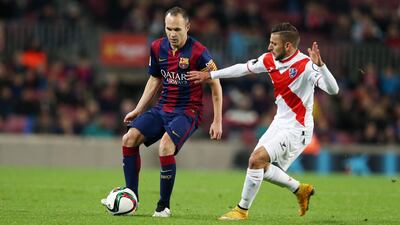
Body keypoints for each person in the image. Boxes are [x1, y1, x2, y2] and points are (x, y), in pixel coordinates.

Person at [188, 22, 339, 220]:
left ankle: (241, 210)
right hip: (279, 123)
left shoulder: (305, 66)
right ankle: (300, 189)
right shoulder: (269, 59)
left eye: (273, 43)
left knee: (255, 160)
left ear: (288, 46)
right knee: (259, 166)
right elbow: (242, 68)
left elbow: (333, 89)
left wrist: (321, 66)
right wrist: (210, 75)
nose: (269, 47)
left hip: (298, 128)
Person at [101, 6, 223, 217]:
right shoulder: (157, 47)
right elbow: (155, 78)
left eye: (177, 29)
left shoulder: (199, 52)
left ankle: (163, 206)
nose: (172, 34)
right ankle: (131, 196)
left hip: (188, 111)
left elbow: (216, 83)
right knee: (129, 138)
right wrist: (139, 109)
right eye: (169, 29)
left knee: (165, 147)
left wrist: (217, 120)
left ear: (187, 27)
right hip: (162, 107)